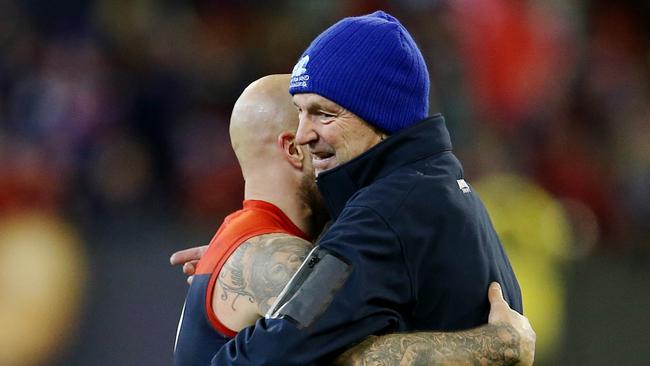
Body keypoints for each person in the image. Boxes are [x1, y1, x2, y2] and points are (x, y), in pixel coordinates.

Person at [172, 74, 534, 365]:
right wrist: (495, 345)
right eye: (319, 130)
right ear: (295, 148)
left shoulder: (244, 243)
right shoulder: (278, 258)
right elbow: (354, 360)